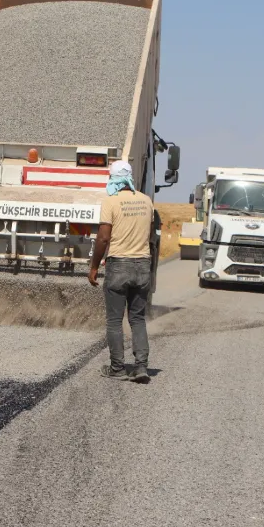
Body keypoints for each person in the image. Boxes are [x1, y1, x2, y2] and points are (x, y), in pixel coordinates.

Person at [88, 160, 153, 383]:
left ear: (113, 178)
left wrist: (94, 266)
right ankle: (141, 366)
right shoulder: (147, 201)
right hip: (143, 266)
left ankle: (117, 368)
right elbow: (149, 234)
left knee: (115, 321)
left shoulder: (111, 202)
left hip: (119, 266)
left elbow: (104, 237)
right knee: (137, 319)